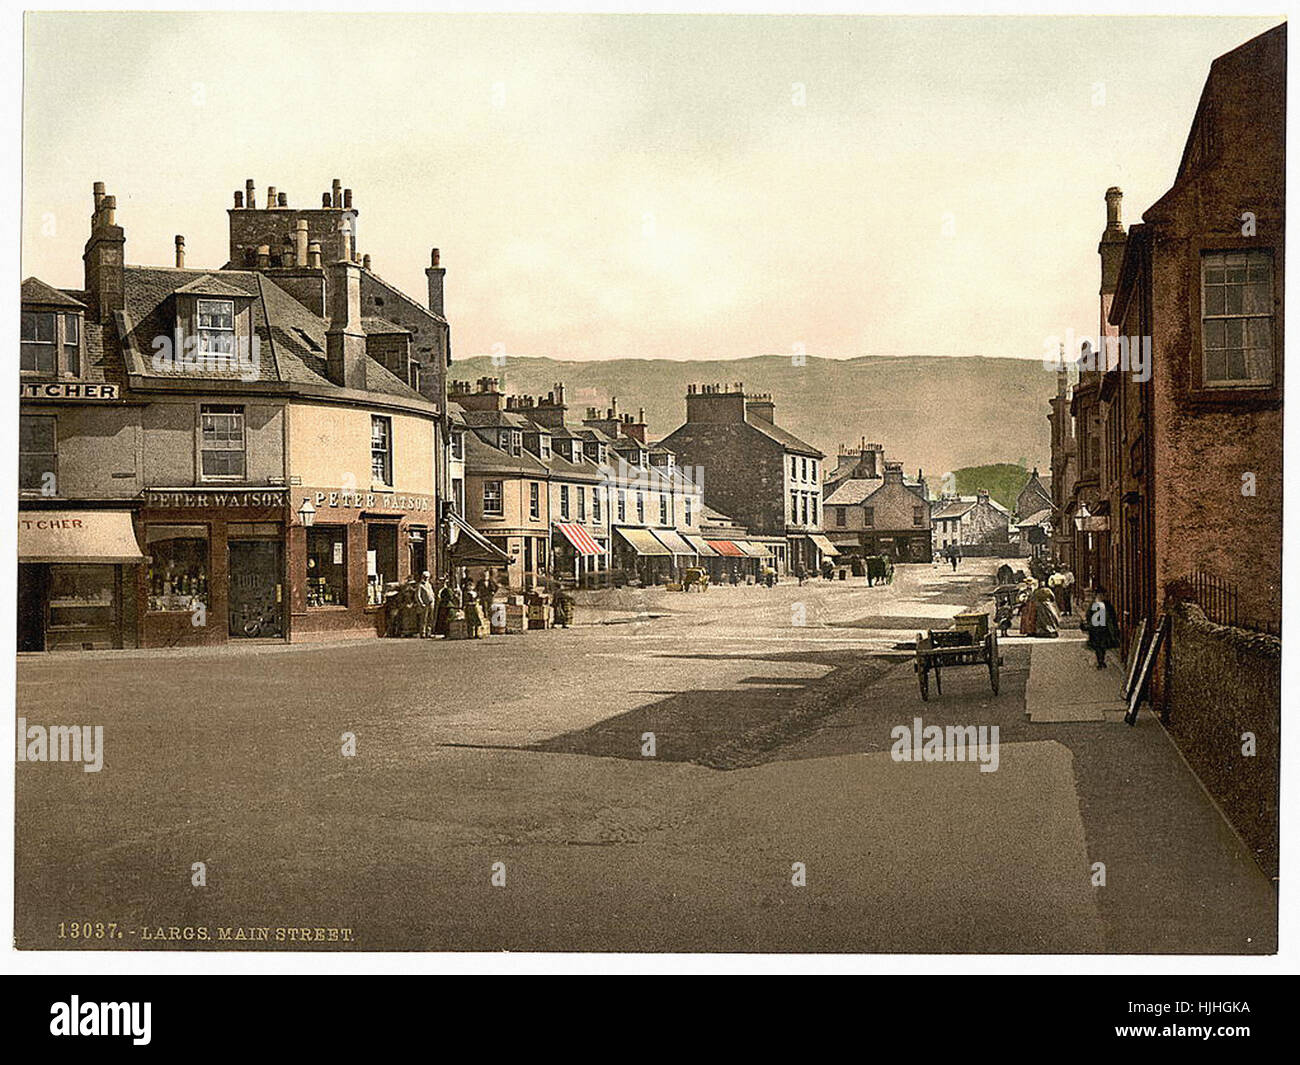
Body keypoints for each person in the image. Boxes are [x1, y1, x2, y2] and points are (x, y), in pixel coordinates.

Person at [1082, 587, 1120, 668]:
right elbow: (1089, 614)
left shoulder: (1105, 604)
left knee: (1102, 645)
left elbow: (1111, 615)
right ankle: (1100, 661)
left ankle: (1101, 660)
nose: (1102, 596)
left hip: (1103, 628)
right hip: (1095, 628)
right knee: (1098, 645)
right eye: (1100, 594)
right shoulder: (1095, 604)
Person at [416, 570, 436, 638]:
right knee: (424, 619)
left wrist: (433, 599)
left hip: (431, 603)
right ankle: (423, 632)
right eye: (425, 577)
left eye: (427, 577)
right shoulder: (420, 585)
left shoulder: (429, 585)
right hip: (425, 604)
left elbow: (432, 593)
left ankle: (429, 632)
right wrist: (421, 603)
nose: (426, 578)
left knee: (430, 618)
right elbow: (417, 595)